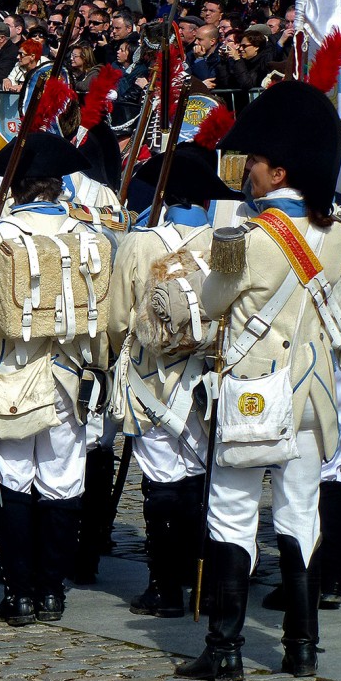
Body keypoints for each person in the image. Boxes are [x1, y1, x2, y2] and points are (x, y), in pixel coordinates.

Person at [176, 81, 341, 681]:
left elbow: (210, 300)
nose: (245, 169)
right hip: (313, 397)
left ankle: (224, 650)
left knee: (230, 512)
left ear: (278, 171)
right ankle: (302, 649)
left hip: (253, 393)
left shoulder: (244, 239)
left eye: (253, 161)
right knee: (302, 514)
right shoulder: (338, 237)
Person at [0, 132, 110, 626]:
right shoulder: (91, 238)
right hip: (71, 379)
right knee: (62, 482)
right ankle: (53, 592)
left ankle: (21, 593)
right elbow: (105, 320)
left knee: (12, 481)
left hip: (10, 375)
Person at [107, 132, 242, 618]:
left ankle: (164, 588)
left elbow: (120, 319)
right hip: (209, 380)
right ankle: (197, 582)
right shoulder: (225, 242)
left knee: (162, 481)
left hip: (153, 381)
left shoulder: (140, 242)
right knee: (198, 479)